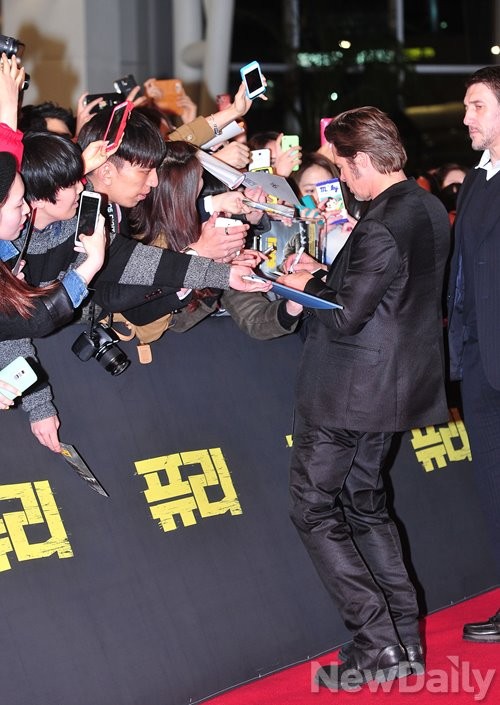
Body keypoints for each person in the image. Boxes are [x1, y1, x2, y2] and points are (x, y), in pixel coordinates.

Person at [277, 106, 450, 690]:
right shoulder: (426, 205)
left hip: (348, 391)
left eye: (344, 168)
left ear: (363, 160)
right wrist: (322, 275)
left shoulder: (381, 222)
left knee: (312, 507)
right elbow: (385, 293)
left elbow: (347, 315)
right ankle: (404, 641)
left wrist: (300, 284)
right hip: (392, 388)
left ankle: (377, 644)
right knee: (365, 504)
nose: (342, 179)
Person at [447, 66, 500, 644]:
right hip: (481, 362)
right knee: (493, 486)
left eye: (477, 106)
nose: (466, 118)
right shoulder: (476, 181)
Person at [0, 150, 106, 417]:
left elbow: (12, 328)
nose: (28, 209)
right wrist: (92, 262)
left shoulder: (7, 250)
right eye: (18, 205)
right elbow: (38, 317)